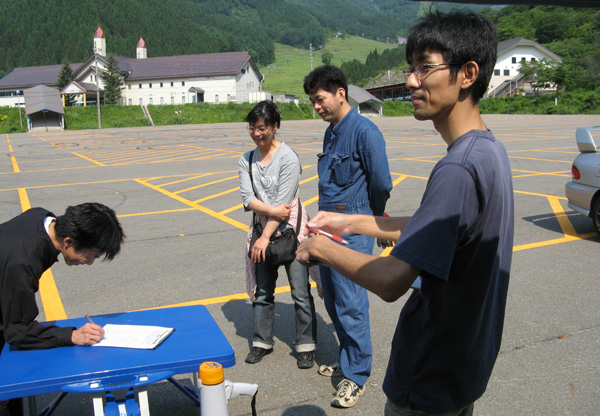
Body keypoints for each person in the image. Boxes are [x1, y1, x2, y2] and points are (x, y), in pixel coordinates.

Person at [297, 11, 514, 415]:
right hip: (462, 367)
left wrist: (319, 248)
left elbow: (390, 280)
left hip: (429, 373)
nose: (412, 80)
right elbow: (436, 226)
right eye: (411, 68)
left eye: (425, 68)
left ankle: (356, 371)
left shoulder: (456, 169)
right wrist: (349, 221)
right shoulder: (488, 149)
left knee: (351, 307)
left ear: (468, 74)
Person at [303, 65, 392, 408]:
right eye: (312, 101)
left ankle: (356, 376)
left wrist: (374, 221)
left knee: (351, 303)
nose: (316, 107)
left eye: (320, 99)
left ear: (341, 93)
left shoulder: (365, 132)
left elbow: (381, 183)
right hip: (327, 226)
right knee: (333, 299)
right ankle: (347, 358)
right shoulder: (332, 132)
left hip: (352, 228)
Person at [0, 202, 125, 416]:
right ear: (68, 241)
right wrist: (72, 336)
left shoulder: (40, 218)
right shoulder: (22, 261)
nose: (90, 262)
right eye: (91, 255)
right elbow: (18, 331)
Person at [238, 100, 319, 369]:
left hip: (292, 232)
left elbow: (286, 207)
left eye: (262, 128)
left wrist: (265, 236)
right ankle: (262, 342)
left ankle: (306, 345)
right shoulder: (246, 160)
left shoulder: (288, 158)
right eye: (252, 128)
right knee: (263, 291)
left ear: (275, 127)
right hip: (262, 229)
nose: (257, 133)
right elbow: (248, 199)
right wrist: (270, 212)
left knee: (300, 291)